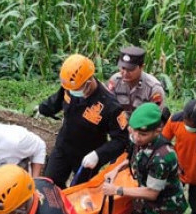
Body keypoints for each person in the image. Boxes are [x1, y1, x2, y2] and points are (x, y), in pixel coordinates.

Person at [38, 54, 129, 188]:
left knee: (79, 192)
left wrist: (98, 155)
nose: (73, 92)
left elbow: (121, 139)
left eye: (76, 90)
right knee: (50, 183)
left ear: (88, 82)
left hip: (87, 156)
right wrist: (43, 108)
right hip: (64, 145)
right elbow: (57, 100)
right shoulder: (71, 86)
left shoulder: (110, 106)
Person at [107, 46, 166, 115]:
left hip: (144, 123)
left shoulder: (153, 88)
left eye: (130, 69)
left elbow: (156, 116)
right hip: (119, 122)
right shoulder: (115, 81)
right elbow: (108, 106)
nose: (125, 73)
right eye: (123, 68)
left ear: (142, 67)